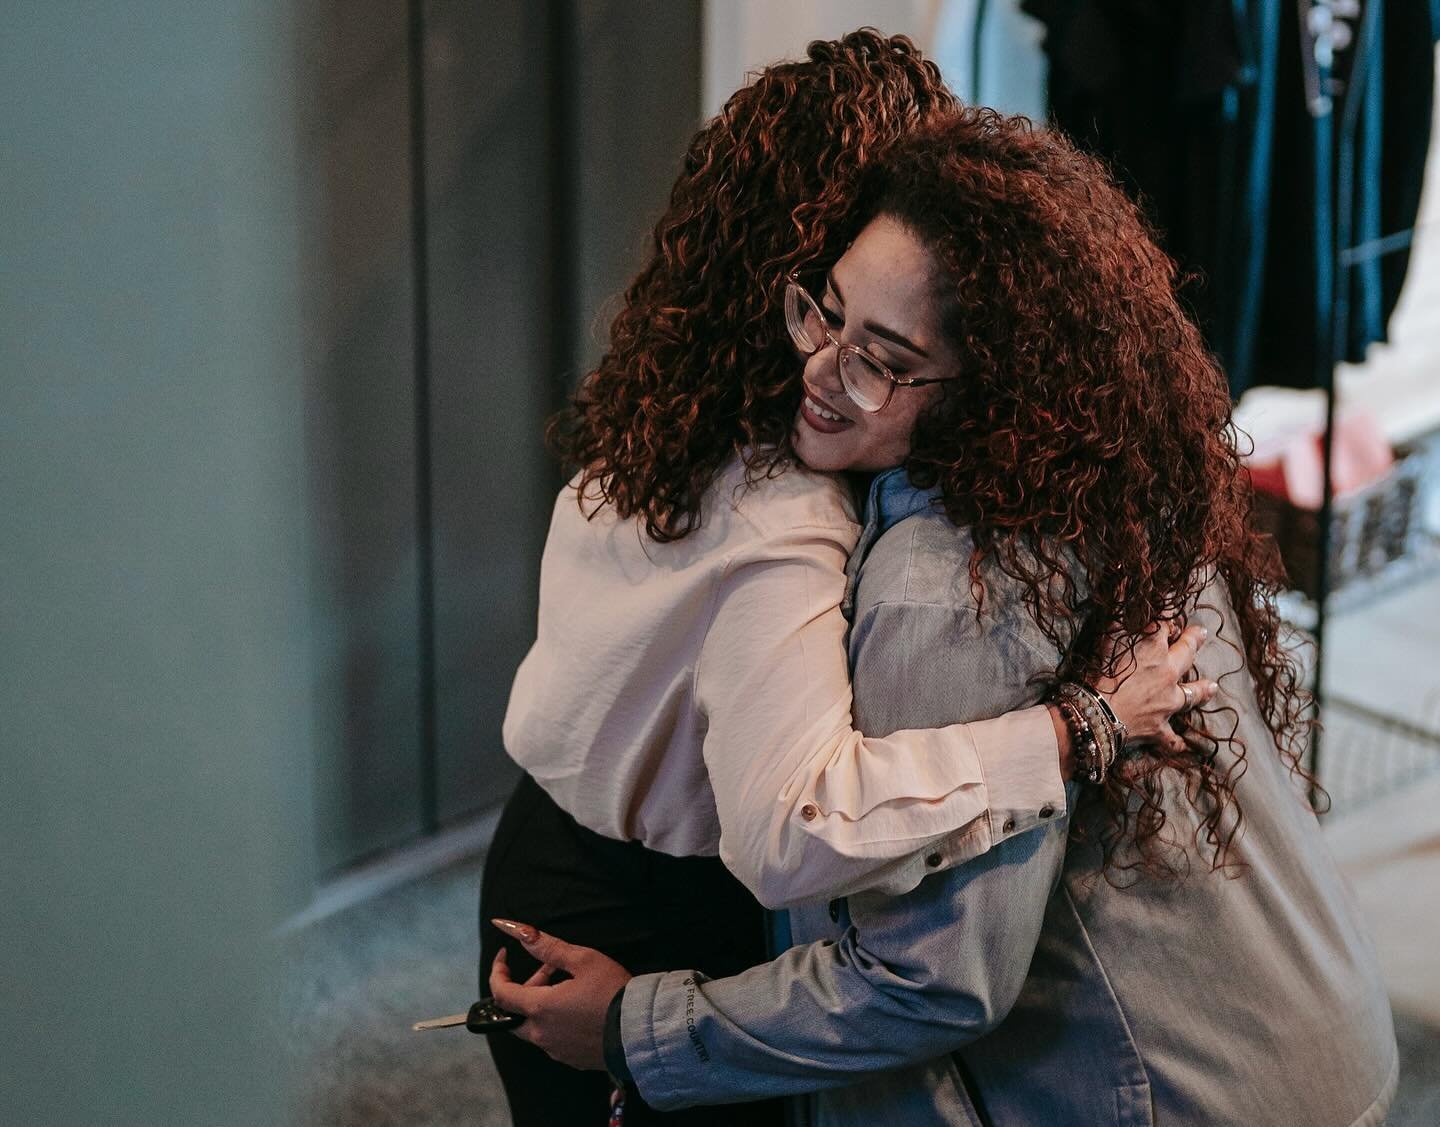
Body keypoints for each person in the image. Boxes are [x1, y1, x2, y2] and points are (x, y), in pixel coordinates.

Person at [488, 107, 1398, 1126]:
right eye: (823, 314)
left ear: (993, 385)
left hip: (1183, 1090)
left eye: (881, 356)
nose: (822, 370)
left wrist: (632, 1027)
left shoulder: (944, 582)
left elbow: (928, 977)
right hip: (1310, 1028)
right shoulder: (1123, 470)